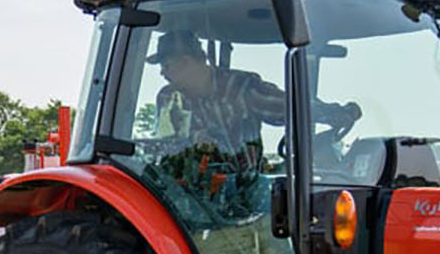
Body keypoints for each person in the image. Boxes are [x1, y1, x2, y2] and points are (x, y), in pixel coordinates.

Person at [149, 31, 359, 161]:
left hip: (241, 193)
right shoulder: (168, 99)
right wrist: (194, 140)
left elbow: (292, 107)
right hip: (185, 195)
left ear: (186, 61)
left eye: (166, 66)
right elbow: (164, 146)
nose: (162, 73)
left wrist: (335, 113)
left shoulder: (242, 88)